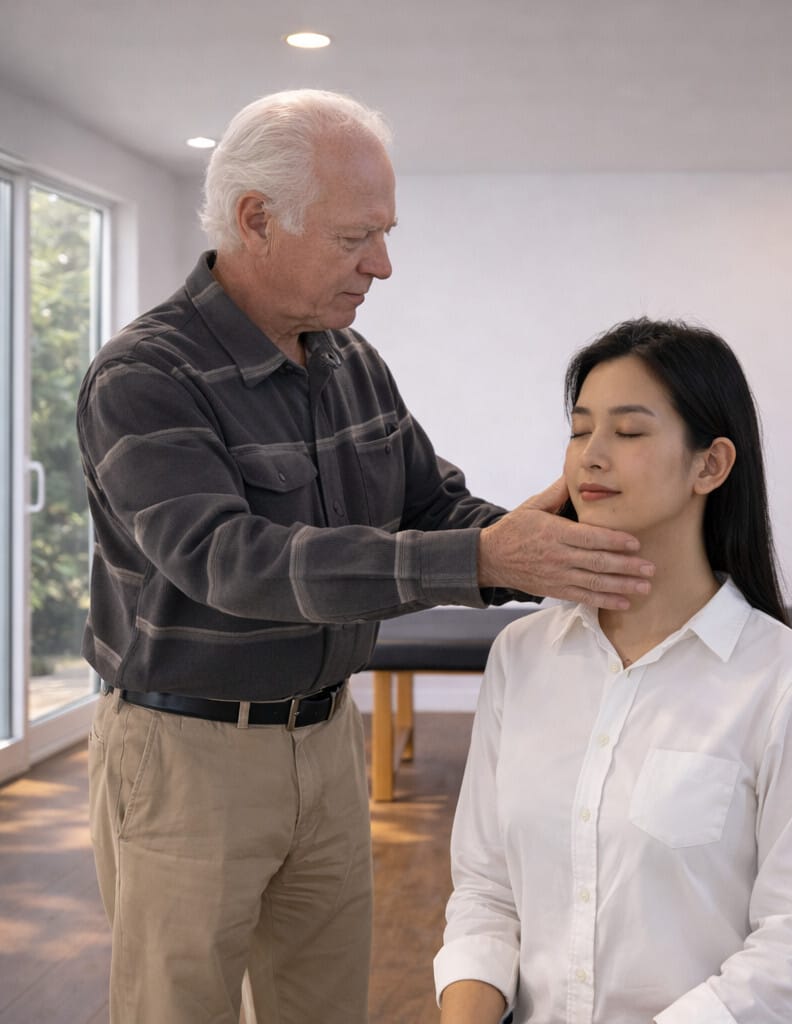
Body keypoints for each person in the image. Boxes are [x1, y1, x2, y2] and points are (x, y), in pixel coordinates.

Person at [76, 89, 655, 1024]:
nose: (382, 266)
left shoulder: (349, 360)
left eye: (384, 234)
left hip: (329, 741)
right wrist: (476, 557)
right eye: (357, 238)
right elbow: (231, 562)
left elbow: (430, 506)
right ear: (256, 220)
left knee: (326, 1007)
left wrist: (546, 541)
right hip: (185, 759)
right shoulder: (145, 376)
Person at [434, 318, 792, 1024]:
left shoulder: (790, 684)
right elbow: (486, 894)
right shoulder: (521, 655)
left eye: (628, 433)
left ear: (710, 466)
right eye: (579, 431)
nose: (590, 459)